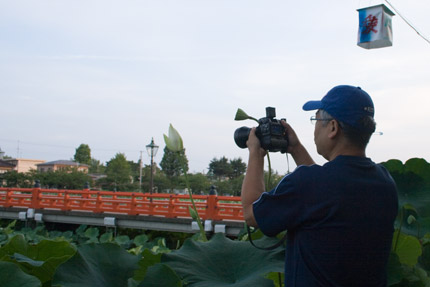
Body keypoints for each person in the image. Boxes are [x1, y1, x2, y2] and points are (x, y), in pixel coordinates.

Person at [241, 85, 398, 286]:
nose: (314, 128)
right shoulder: (385, 182)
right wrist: (296, 149)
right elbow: (326, 192)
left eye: (316, 120)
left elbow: (250, 213)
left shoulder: (310, 183)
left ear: (332, 127)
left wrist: (255, 153)